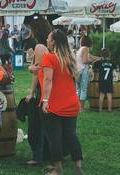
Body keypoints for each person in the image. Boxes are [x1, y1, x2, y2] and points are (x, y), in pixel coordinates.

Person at [40, 30, 83, 175]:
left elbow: (48, 80)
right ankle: (78, 167)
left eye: (48, 38)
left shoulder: (49, 58)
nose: (47, 40)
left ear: (53, 42)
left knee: (54, 138)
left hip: (54, 104)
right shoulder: (70, 58)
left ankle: (58, 170)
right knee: (71, 135)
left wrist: (45, 100)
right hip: (71, 102)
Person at [25, 43, 50, 166]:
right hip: (49, 91)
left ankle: (39, 156)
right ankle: (50, 156)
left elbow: (38, 71)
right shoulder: (53, 49)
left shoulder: (40, 47)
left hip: (46, 91)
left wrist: (33, 92)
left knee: (41, 126)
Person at [75, 35, 98, 112]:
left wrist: (99, 58)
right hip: (83, 70)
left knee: (78, 89)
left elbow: (91, 56)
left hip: (77, 71)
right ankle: (82, 108)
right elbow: (85, 61)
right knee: (84, 89)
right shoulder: (86, 49)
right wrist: (92, 62)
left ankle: (77, 107)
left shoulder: (80, 49)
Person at [93, 48, 117, 112]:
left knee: (101, 95)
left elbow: (94, 67)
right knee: (109, 94)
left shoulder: (99, 62)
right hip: (109, 80)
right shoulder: (112, 62)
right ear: (109, 54)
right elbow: (116, 68)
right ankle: (109, 109)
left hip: (102, 80)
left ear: (101, 55)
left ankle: (100, 109)